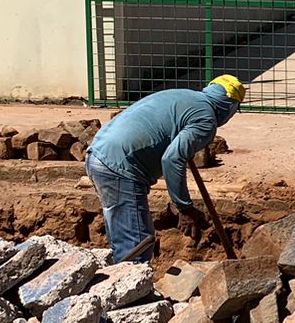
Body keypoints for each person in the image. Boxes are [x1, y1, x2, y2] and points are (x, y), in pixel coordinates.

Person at [85, 76, 246, 264]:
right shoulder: (206, 119)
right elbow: (172, 159)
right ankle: (131, 290)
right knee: (137, 245)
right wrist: (184, 207)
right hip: (120, 166)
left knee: (124, 236)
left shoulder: (183, 95)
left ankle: (122, 284)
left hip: (97, 154)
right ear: (230, 106)